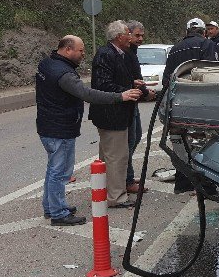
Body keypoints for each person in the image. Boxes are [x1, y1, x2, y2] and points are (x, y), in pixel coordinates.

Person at [36, 35, 141, 225]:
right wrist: (120, 96)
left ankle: (51, 207)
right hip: (59, 127)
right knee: (60, 171)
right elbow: (87, 94)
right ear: (68, 50)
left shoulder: (47, 63)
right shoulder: (64, 74)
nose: (83, 54)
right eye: (80, 50)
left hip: (49, 125)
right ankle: (58, 213)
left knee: (54, 169)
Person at [162, 18, 219, 194]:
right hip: (199, 102)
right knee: (201, 143)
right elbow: (213, 73)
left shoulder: (175, 49)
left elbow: (166, 78)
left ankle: (183, 183)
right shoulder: (206, 45)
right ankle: (206, 185)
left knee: (180, 143)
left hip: (177, 103)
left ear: (186, 31)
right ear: (203, 32)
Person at [89, 20, 143, 208]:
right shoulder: (105, 54)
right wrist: (126, 92)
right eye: (129, 33)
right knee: (117, 157)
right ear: (120, 37)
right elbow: (102, 84)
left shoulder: (117, 54)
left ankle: (104, 191)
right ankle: (116, 197)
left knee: (109, 157)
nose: (131, 38)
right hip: (111, 115)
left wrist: (134, 85)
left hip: (116, 114)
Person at [125, 20, 155, 194]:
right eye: (137, 35)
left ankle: (127, 175)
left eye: (142, 35)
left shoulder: (132, 52)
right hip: (126, 102)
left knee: (135, 138)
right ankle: (126, 179)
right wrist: (145, 92)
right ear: (126, 34)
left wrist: (143, 90)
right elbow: (127, 78)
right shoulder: (125, 53)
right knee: (129, 141)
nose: (140, 39)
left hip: (133, 103)